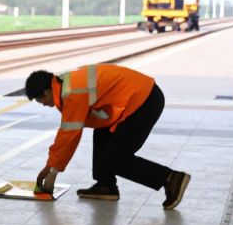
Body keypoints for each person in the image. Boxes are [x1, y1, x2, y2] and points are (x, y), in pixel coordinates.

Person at [25, 64, 191, 210]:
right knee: (102, 133)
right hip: (139, 96)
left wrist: (52, 170)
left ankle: (171, 178)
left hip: (143, 102)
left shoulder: (73, 93)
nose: (43, 103)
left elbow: (68, 135)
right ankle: (105, 185)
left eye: (40, 99)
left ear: (47, 91)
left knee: (115, 158)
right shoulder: (65, 83)